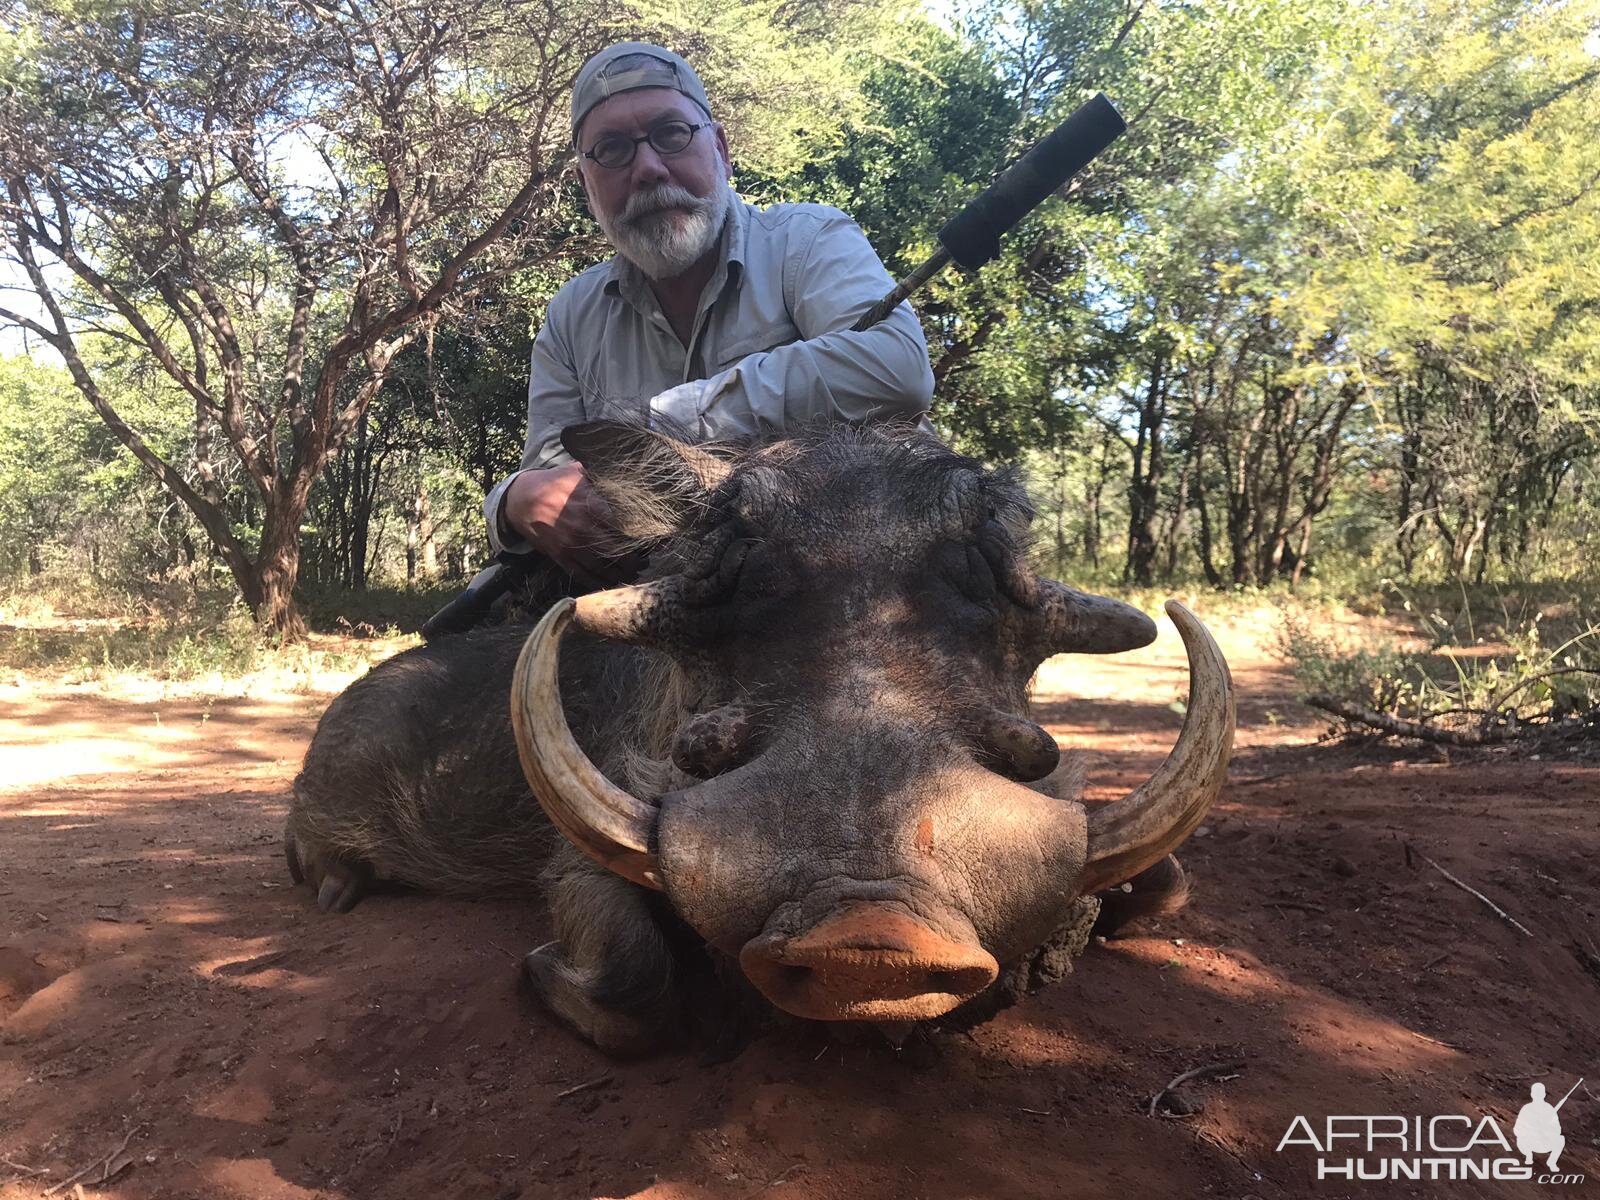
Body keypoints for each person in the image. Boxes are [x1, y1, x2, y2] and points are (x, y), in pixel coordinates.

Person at [482, 41, 935, 588]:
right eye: (613, 150)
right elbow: (556, 480)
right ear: (586, 184)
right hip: (672, 603)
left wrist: (671, 420)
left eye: (672, 134)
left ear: (720, 149)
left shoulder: (808, 241)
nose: (648, 169)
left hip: (858, 582)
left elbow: (897, 369)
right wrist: (511, 502)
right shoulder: (570, 316)